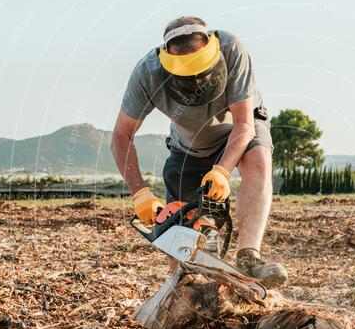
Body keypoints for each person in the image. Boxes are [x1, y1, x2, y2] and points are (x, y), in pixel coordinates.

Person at [110, 16, 287, 287]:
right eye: (188, 76)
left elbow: (244, 124)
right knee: (177, 231)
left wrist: (223, 171)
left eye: (203, 73)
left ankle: (249, 256)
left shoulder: (231, 48)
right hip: (188, 144)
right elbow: (121, 136)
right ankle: (188, 281)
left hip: (238, 129)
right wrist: (140, 193)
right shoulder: (147, 73)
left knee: (258, 160)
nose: (198, 81)